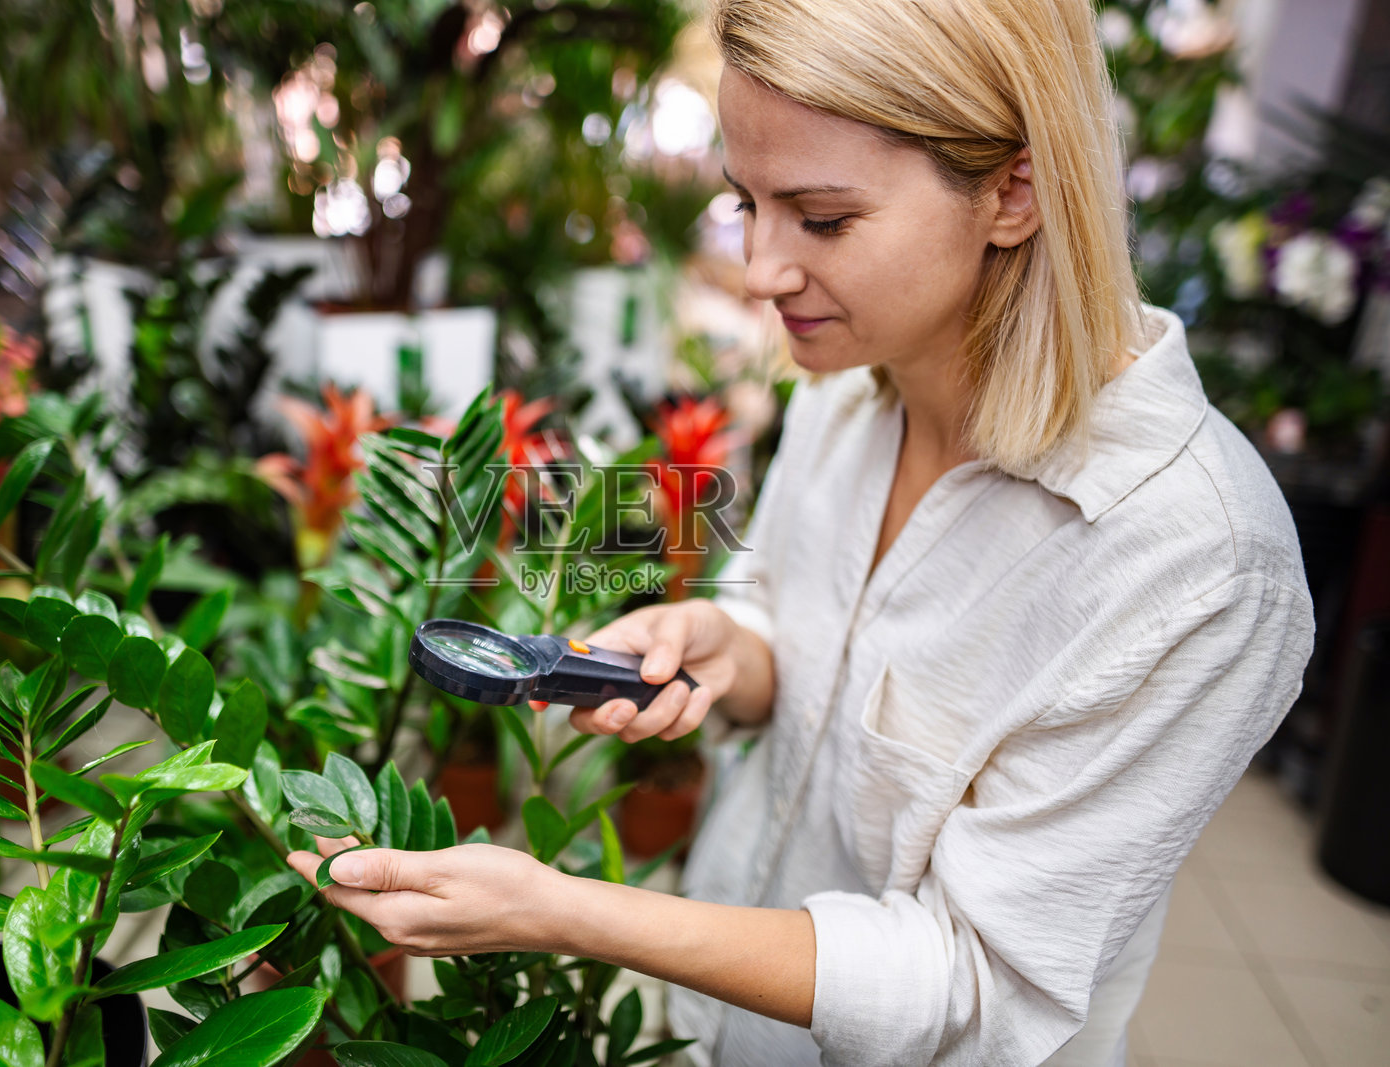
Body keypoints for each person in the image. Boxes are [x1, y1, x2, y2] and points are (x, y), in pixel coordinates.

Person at [288, 1, 1315, 1063]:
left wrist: (564, 909)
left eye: (821, 220)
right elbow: (787, 618)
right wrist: (732, 651)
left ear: (1014, 191)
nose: (761, 271)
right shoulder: (848, 380)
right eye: (746, 204)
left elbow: (980, 979)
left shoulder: (1194, 562)